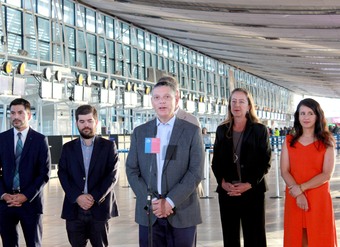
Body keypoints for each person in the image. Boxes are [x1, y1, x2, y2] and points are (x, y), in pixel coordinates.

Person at [126, 79, 204, 247]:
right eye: (157, 97)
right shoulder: (141, 132)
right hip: (149, 213)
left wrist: (170, 201)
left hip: (182, 212)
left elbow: (195, 172)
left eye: (167, 97)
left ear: (176, 99)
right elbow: (132, 170)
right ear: (152, 101)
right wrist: (151, 201)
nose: (162, 101)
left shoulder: (191, 132)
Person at [211, 88, 271, 247]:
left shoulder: (259, 130)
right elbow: (216, 161)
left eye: (241, 101)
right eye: (233, 101)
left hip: (253, 190)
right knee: (230, 238)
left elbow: (265, 161)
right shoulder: (222, 130)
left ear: (249, 106)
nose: (237, 105)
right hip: (228, 191)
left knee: (255, 237)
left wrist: (249, 183)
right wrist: (222, 182)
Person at [58, 105, 119, 247]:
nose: (86, 125)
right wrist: (77, 196)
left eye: (90, 121)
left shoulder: (108, 146)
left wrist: (94, 197)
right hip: (74, 209)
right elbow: (63, 174)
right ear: (76, 123)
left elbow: (112, 175)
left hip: (99, 207)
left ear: (96, 122)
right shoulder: (68, 148)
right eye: (82, 121)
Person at [280, 98, 337, 247]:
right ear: (297, 116)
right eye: (302, 113)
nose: (306, 117)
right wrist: (298, 193)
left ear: (317, 116)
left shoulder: (327, 142)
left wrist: (302, 188)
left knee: (319, 237)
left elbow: (326, 174)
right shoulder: (289, 141)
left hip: (318, 197)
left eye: (310, 113)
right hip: (294, 195)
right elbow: (284, 171)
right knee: (297, 237)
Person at [0, 98, 51, 247]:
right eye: (13, 113)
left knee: (33, 244)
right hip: (6, 202)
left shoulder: (40, 140)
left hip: (31, 202)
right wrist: (3, 194)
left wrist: (26, 195)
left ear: (29, 115)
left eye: (20, 113)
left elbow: (44, 173)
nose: (16, 116)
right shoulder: (2, 139)